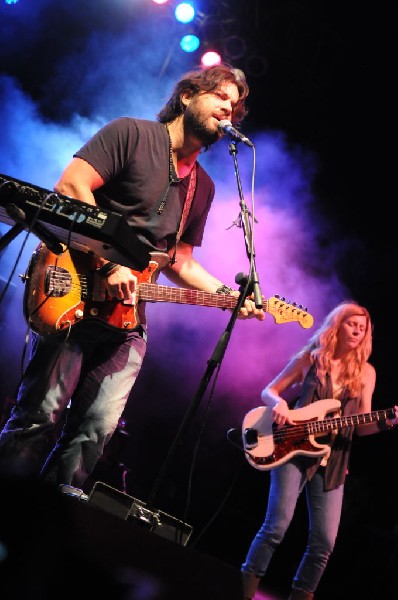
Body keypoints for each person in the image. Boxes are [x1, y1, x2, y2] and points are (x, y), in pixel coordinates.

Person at [0, 63, 265, 491]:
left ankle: (46, 530)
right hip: (72, 289)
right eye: (220, 97)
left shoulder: (204, 187)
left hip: (127, 319)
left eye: (234, 106)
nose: (228, 110)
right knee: (38, 417)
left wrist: (227, 295)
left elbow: (180, 261)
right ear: (187, 96)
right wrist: (109, 262)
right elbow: (72, 187)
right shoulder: (132, 134)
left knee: (95, 432)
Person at [241, 300, 398, 600]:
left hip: (334, 461)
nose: (357, 330)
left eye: (363, 328)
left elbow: (360, 425)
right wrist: (281, 405)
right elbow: (269, 390)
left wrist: (385, 424)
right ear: (337, 325)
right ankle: (245, 592)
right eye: (352, 323)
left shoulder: (366, 373)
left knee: (324, 543)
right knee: (276, 527)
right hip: (292, 450)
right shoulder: (311, 358)